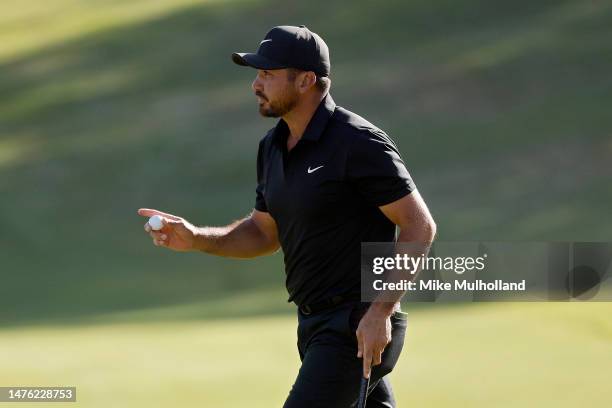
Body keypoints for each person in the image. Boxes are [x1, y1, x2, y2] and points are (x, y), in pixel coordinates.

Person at [138, 25, 436, 407]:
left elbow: (418, 225)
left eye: (267, 74)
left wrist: (381, 311)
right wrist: (196, 237)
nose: (255, 84)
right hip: (313, 325)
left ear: (306, 81)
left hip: (355, 326)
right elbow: (263, 233)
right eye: (257, 74)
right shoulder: (273, 147)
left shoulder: (357, 142)